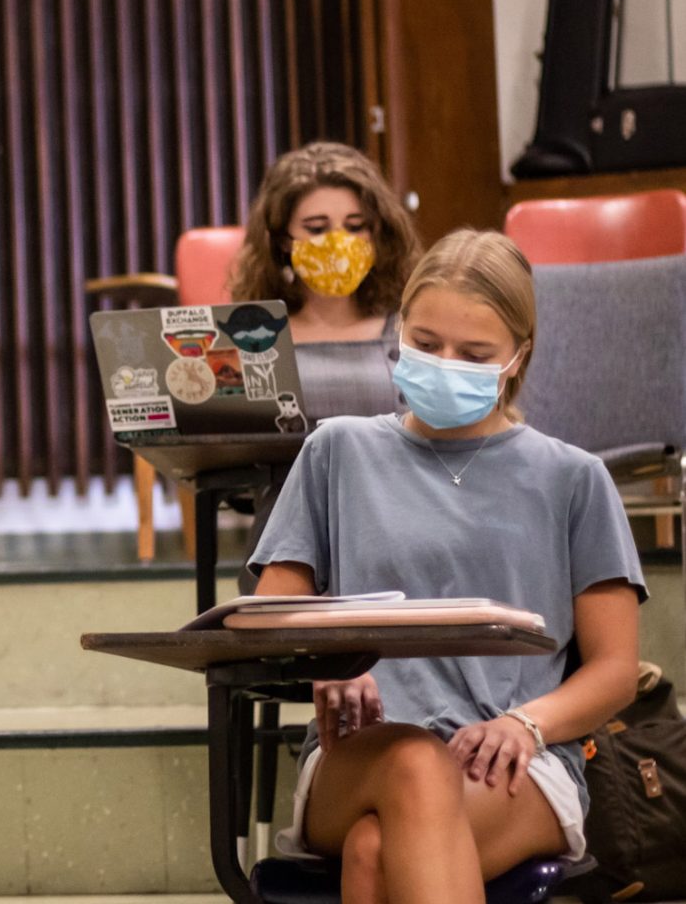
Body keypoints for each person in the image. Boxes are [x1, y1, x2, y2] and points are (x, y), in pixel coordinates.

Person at [248, 229, 646, 902]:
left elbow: (615, 671)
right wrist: (325, 663)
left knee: (375, 850)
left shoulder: (574, 479)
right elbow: (269, 613)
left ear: (517, 358)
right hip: (358, 756)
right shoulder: (337, 450)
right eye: (426, 344)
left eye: (474, 354)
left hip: (517, 757)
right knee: (412, 762)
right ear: (400, 329)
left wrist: (528, 722)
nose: (444, 363)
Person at [229, 141, 422, 421]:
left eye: (356, 227)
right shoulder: (251, 338)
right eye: (317, 228)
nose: (339, 242)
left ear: (378, 233)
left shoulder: (415, 328)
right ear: (283, 240)